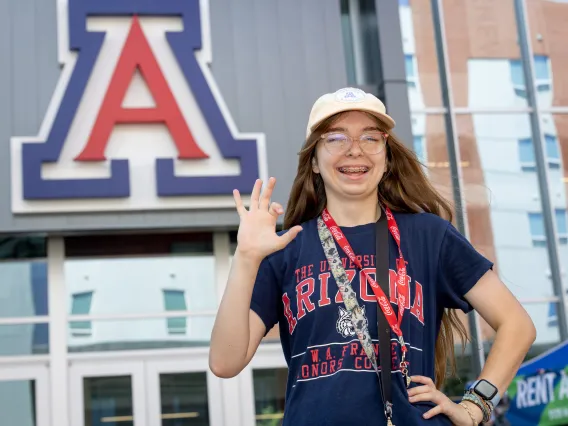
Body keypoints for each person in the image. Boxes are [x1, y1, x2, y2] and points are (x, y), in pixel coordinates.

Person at [209, 87, 536, 425]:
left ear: (386, 156)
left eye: (370, 137)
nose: (354, 150)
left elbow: (517, 325)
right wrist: (246, 257)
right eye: (335, 138)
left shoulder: (429, 236)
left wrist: (474, 406)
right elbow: (224, 362)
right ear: (315, 161)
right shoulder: (286, 248)